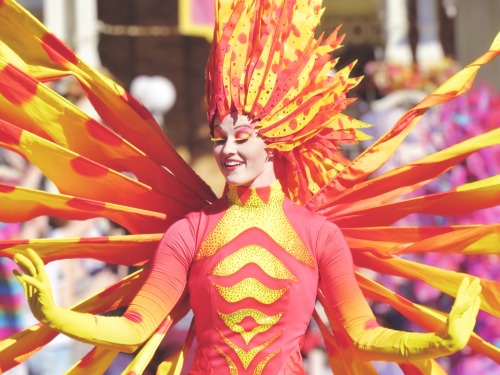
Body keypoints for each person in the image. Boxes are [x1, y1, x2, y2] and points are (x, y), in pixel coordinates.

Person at [0, 0, 498, 374]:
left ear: (276, 139)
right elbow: (134, 328)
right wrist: (55, 314)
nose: (227, 150)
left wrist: (436, 341)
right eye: (219, 137)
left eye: (242, 136)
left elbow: (362, 333)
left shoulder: (319, 235)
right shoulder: (190, 231)